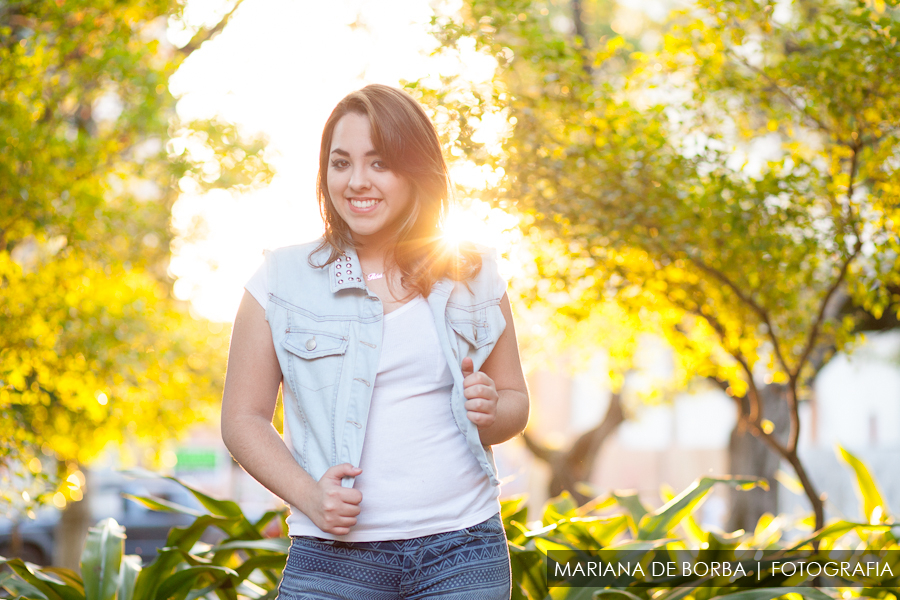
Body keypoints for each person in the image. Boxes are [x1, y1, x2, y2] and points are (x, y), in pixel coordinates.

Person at [221, 83, 529, 599]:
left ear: (416, 171)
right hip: (332, 561)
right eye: (341, 163)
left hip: (463, 552)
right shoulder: (279, 279)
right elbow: (241, 420)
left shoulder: (475, 275)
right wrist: (310, 496)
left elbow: (515, 404)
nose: (357, 181)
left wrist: (492, 409)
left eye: (379, 163)